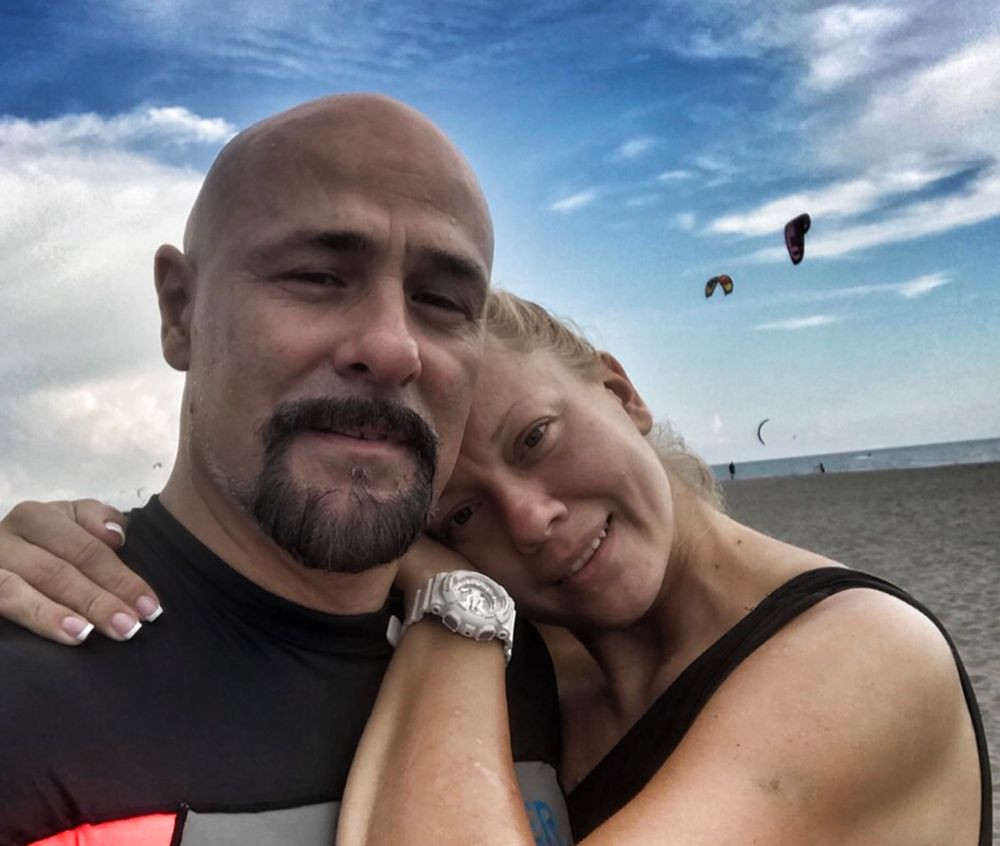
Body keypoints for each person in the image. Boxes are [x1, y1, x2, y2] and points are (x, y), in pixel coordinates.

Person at [0, 293, 991, 844]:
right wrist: (77, 545)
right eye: (461, 515)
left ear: (620, 392)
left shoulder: (863, 659)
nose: (533, 520)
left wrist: (454, 600)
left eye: (536, 438)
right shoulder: (547, 657)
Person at [0, 96, 570, 845]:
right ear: (179, 310)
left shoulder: (527, 658)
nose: (392, 348)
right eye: (317, 277)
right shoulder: (21, 702)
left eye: (440, 300)